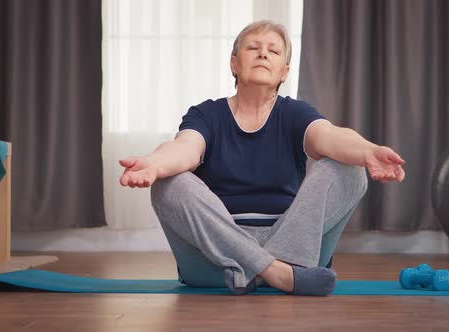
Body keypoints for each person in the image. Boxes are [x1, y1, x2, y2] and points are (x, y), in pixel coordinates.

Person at [119, 20, 405, 296]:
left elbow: (330, 136)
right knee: (168, 183)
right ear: (234, 63)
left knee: (350, 169)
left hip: (294, 246)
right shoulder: (207, 114)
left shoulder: (294, 113)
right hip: (217, 257)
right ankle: (276, 273)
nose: (263, 53)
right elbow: (185, 148)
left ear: (284, 71)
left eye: (274, 50)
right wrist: (155, 164)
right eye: (253, 47)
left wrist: (368, 151)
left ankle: (258, 271)